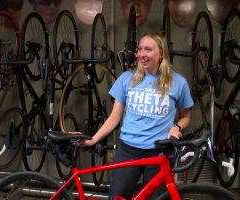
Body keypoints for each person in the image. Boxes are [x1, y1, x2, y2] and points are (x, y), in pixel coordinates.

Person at [77, 32, 194, 199]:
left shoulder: (178, 82)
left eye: (148, 49)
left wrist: (176, 128)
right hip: (128, 150)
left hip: (160, 151)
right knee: (118, 196)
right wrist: (94, 139)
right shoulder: (127, 78)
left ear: (161, 54)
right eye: (139, 49)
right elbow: (114, 118)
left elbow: (186, 116)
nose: (141, 54)